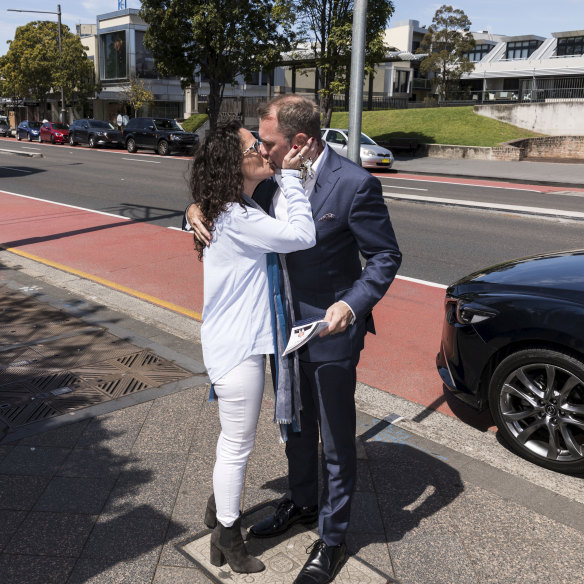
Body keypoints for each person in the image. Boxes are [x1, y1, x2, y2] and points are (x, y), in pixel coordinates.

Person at [187, 96, 402, 584]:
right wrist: (194, 206)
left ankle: (331, 537)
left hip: (330, 330)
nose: (262, 150)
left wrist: (351, 305)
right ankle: (304, 502)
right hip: (278, 329)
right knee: (297, 428)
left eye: (269, 142)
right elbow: (229, 201)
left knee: (335, 437)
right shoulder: (267, 178)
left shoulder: (354, 185)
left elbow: (385, 257)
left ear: (299, 142)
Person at [189, 120, 318, 574]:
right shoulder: (237, 216)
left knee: (234, 442)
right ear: (232, 162)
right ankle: (228, 534)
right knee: (236, 445)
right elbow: (302, 235)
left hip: (237, 339)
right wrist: (290, 176)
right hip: (238, 345)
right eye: (253, 147)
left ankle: (218, 506)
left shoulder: (229, 206)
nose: (264, 150)